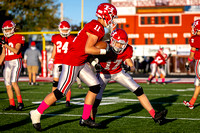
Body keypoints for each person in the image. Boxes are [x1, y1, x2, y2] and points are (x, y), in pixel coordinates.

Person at [30, 3, 117, 131]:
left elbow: (85, 48)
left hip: (80, 61)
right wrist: (105, 51)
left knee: (95, 86)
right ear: (106, 15)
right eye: (112, 16)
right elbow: (88, 48)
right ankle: (36, 113)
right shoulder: (97, 27)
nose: (112, 19)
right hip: (73, 61)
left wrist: (93, 61)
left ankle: (85, 118)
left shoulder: (95, 25)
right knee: (60, 92)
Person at [89, 28, 168, 125]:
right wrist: (94, 64)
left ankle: (154, 115)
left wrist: (128, 67)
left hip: (118, 72)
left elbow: (132, 67)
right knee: (96, 100)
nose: (121, 46)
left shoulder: (127, 49)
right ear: (113, 40)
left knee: (138, 90)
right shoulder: (104, 45)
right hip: (103, 74)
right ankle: (91, 120)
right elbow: (89, 55)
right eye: (118, 43)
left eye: (123, 44)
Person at [48, 20, 75, 107]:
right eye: (63, 30)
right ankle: (53, 100)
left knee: (67, 81)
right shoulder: (55, 37)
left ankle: (67, 100)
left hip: (67, 62)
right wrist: (51, 59)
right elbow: (54, 49)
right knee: (55, 82)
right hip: (58, 61)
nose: (64, 32)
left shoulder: (72, 38)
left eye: (66, 30)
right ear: (60, 29)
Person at [0, 20, 25, 111]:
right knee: (7, 85)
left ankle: (20, 102)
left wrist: (5, 45)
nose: (6, 32)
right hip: (7, 62)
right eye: (5, 30)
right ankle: (12, 104)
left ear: (13, 29)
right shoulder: (4, 39)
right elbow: (3, 54)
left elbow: (16, 51)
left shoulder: (19, 37)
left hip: (16, 61)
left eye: (8, 29)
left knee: (14, 82)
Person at [183, 19, 200, 109]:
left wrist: (188, 62)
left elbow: (192, 54)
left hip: (199, 62)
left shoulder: (195, 39)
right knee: (198, 84)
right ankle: (191, 103)